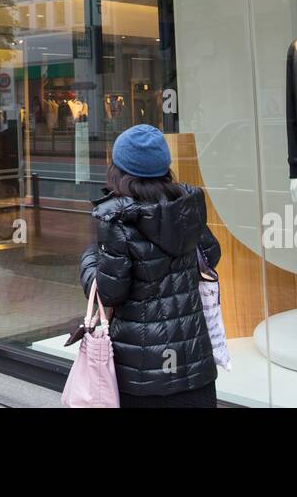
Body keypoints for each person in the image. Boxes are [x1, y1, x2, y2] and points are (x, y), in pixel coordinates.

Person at [79, 124, 222, 408]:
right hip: (195, 367)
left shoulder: (118, 222)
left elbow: (110, 293)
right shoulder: (186, 206)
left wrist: (89, 258)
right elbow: (211, 254)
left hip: (142, 374)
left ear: (119, 170)